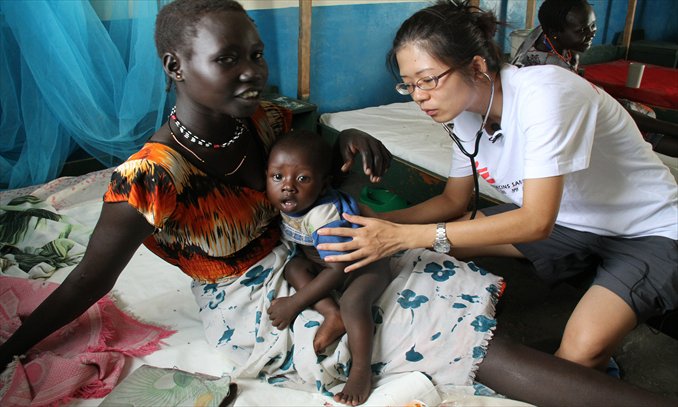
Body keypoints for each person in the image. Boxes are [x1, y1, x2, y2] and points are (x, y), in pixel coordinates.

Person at [0, 1, 674, 406]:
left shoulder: (262, 122)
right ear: (178, 67)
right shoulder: (147, 178)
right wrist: (14, 347)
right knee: (439, 323)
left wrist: (346, 135)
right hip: (254, 302)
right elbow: (88, 281)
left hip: (309, 252)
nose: (252, 72)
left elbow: (315, 148)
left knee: (423, 277)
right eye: (229, 59)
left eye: (257, 55)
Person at [317, 0, 677, 395]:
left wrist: (405, 235)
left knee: (577, 354)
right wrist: (379, 223)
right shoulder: (461, 114)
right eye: (409, 84)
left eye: (429, 79)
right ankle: (410, 321)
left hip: (650, 231)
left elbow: (536, 221)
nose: (418, 97)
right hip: (571, 222)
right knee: (422, 250)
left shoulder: (546, 95)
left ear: (475, 67)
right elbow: (453, 203)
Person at [266, 130, 396, 405]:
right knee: (293, 268)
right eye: (278, 177)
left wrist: (295, 303)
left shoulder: (324, 215)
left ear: (324, 186)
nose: (288, 186)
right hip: (325, 263)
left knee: (354, 303)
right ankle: (331, 314)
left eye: (302, 179)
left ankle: (361, 371)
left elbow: (337, 271)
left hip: (362, 265)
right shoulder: (288, 203)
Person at [511, 0, 678, 157]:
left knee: (645, 114)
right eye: (582, 31)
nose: (591, 33)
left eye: (593, 25)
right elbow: (612, 113)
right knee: (637, 130)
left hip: (578, 103)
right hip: (565, 120)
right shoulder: (550, 72)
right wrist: (672, 128)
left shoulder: (547, 31)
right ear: (555, 32)